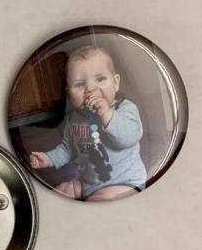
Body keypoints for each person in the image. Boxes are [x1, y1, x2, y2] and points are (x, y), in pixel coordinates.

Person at [29, 45, 147, 201]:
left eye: (100, 79)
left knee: (99, 201)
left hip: (125, 182)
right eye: (79, 84)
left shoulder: (125, 109)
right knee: (62, 192)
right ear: (69, 94)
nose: (90, 89)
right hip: (89, 181)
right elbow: (68, 148)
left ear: (115, 83)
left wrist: (107, 114)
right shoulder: (73, 119)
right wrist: (49, 158)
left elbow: (129, 137)